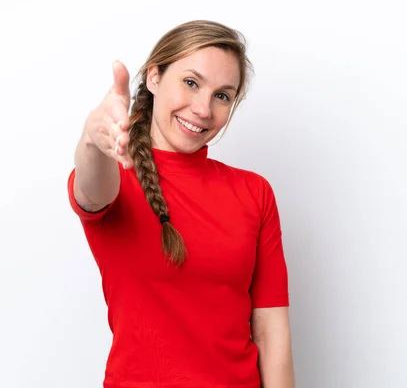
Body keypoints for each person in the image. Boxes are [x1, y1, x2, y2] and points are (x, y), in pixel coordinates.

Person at [68, 19, 295, 388]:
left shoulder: (255, 193)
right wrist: (93, 140)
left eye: (222, 95)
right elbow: (91, 188)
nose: (203, 109)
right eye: (191, 83)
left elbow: (271, 331)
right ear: (154, 78)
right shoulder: (117, 175)